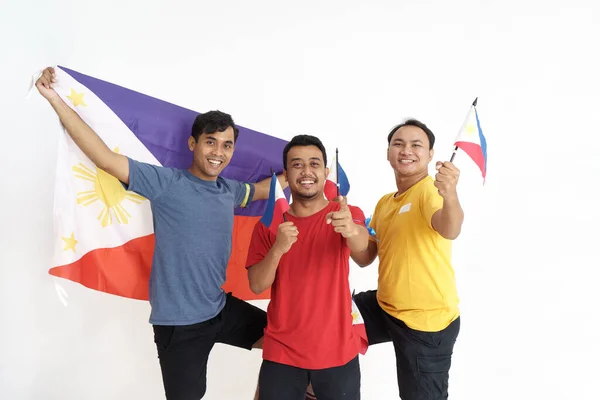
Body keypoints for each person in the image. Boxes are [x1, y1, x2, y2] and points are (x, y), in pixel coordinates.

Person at [35, 66, 308, 400]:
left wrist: (305, 169)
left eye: (226, 145)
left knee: (289, 340)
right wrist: (55, 99)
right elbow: (106, 159)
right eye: (210, 142)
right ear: (193, 143)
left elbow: (264, 190)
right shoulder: (166, 183)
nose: (218, 153)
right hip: (179, 325)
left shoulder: (229, 190)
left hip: (219, 308)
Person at [246, 134, 370, 400]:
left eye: (314, 164)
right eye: (297, 164)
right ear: (287, 174)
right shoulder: (268, 224)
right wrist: (278, 248)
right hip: (282, 351)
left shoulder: (344, 212)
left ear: (325, 172)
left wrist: (350, 229)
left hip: (338, 350)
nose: (306, 171)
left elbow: (364, 254)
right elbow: (257, 284)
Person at [352, 119, 463, 400]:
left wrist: (450, 194)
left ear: (430, 154)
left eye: (417, 145)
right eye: (398, 144)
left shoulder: (430, 191)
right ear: (388, 152)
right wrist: (349, 231)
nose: (406, 150)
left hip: (425, 323)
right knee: (326, 318)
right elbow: (366, 256)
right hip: (386, 307)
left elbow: (450, 228)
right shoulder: (385, 202)